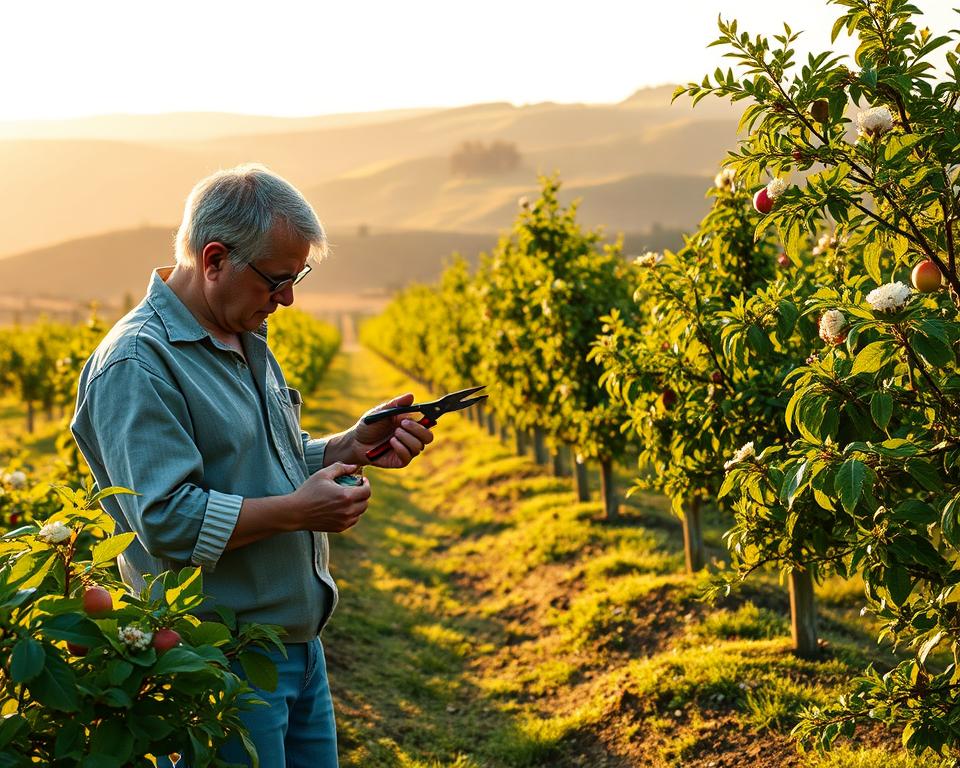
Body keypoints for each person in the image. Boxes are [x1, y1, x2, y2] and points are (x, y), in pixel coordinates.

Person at [70, 164, 433, 767]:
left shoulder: (243, 335)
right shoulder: (137, 364)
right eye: (277, 280)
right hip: (218, 662)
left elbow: (261, 459)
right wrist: (299, 512)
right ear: (214, 260)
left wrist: (345, 446)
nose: (288, 298)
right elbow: (165, 520)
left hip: (297, 651)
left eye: (298, 278)